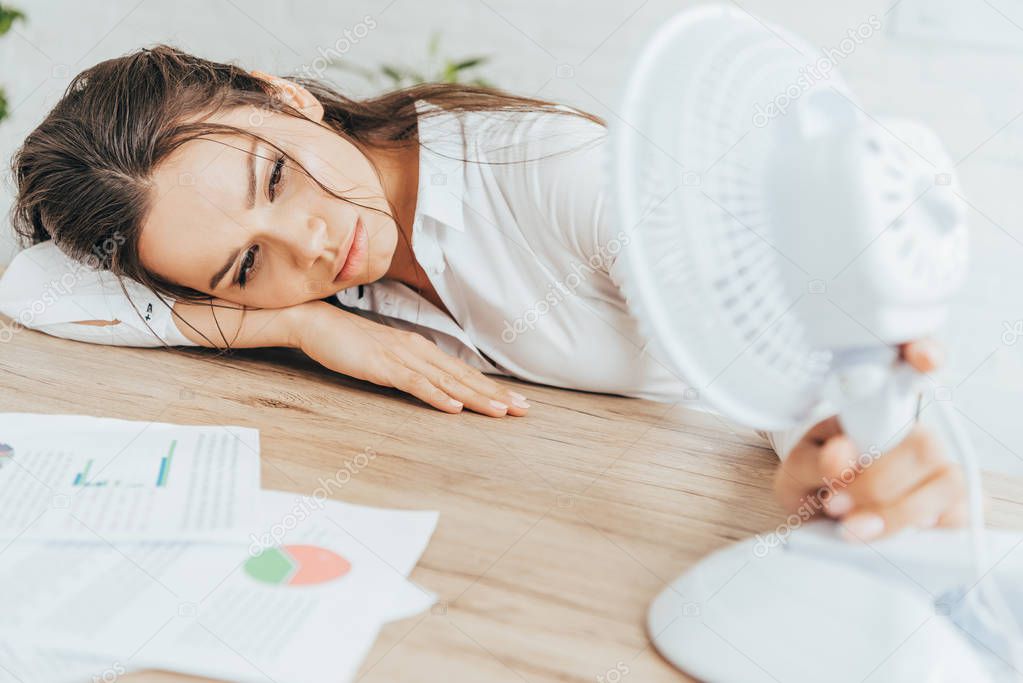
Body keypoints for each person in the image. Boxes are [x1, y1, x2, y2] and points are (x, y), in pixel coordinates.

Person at [0, 46, 968, 541]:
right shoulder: (314, 293)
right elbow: (31, 287)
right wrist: (302, 327)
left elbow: (799, 372)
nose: (311, 242)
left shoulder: (565, 173)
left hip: (714, 477)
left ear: (284, 96)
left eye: (277, 179)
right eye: (246, 265)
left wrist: (840, 458)